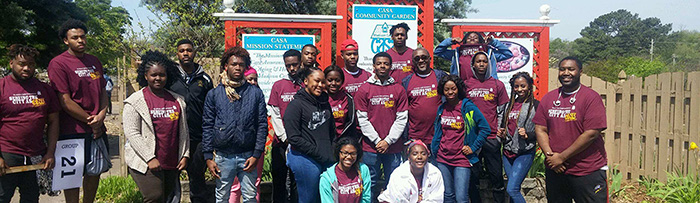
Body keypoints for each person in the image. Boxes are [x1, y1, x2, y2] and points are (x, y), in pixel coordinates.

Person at [47, 19, 109, 203]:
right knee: (71, 177)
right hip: (71, 131)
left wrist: (102, 115)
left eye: (83, 37)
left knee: (94, 172)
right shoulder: (58, 63)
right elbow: (65, 100)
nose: (80, 40)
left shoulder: (94, 62)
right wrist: (91, 120)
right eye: (75, 37)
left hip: (97, 129)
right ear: (66, 40)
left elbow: (102, 91)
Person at [534, 56, 608, 202]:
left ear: (580, 72)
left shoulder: (591, 98)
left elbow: (591, 133)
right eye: (562, 69)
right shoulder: (549, 98)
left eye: (571, 69)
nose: (566, 72)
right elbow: (540, 128)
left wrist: (561, 157)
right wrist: (550, 157)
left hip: (587, 170)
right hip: (556, 170)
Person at [202, 47, 267, 203]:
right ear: (226, 66)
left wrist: (256, 154)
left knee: (250, 197)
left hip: (248, 155)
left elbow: (262, 125)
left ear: (246, 67)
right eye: (234, 64)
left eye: (241, 64)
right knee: (222, 196)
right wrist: (208, 156)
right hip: (223, 156)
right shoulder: (215, 94)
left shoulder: (255, 93)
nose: (237, 68)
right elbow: (207, 125)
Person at [122, 51, 189, 203]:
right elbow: (132, 133)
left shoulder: (178, 100)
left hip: (171, 160)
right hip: (146, 161)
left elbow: (183, 131)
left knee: (167, 197)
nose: (158, 78)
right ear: (146, 76)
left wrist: (185, 154)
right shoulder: (135, 101)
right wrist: (150, 158)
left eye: (162, 75)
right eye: (153, 75)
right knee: (154, 197)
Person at [0, 44, 59, 203]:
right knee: (2, 197)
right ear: (11, 63)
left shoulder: (45, 89)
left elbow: (53, 122)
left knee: (31, 198)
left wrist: (50, 152)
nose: (26, 68)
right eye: (22, 64)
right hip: (7, 154)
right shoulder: (2, 87)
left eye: (31, 64)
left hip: (36, 156)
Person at [355, 52, 408, 202]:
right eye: (379, 64)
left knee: (394, 183)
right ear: (373, 66)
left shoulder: (398, 89)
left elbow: (402, 118)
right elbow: (362, 119)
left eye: (385, 63)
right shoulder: (364, 89)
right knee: (369, 183)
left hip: (394, 147)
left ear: (391, 66)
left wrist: (388, 141)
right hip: (371, 147)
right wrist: (378, 140)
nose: (382, 66)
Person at [431, 75, 490, 203]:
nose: (450, 92)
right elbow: (438, 132)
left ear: (459, 89)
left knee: (461, 197)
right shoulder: (442, 108)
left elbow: (485, 129)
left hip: (462, 159)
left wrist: (473, 148)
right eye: (447, 90)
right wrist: (435, 150)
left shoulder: (467, 107)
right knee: (447, 196)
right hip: (443, 158)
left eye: (453, 88)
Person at [168, 39, 214, 203]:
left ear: (194, 53)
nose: (185, 53)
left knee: (198, 181)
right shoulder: (169, 78)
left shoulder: (205, 79)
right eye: (182, 50)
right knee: (171, 181)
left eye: (188, 50)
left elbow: (211, 109)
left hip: (197, 138)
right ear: (177, 54)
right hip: (174, 138)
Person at [463, 51, 510, 203]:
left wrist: (498, 134)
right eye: (478, 61)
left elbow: (503, 110)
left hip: (491, 138)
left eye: (484, 61)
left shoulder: (497, 85)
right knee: (473, 177)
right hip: (473, 140)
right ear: (473, 65)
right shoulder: (465, 85)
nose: (481, 64)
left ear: (489, 64)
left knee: (496, 177)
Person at [284, 67, 336, 203]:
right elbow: (294, 138)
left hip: (326, 157)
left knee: (327, 197)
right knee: (309, 198)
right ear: (306, 81)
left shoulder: (325, 103)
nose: (320, 85)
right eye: (317, 81)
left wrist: (333, 152)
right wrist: (318, 153)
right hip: (304, 157)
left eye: (323, 82)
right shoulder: (296, 105)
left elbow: (332, 132)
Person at [496, 72, 539, 203]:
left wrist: (528, 135)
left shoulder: (536, 106)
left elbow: (543, 130)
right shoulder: (508, 106)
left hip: (524, 152)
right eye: (516, 86)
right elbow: (504, 125)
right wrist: (502, 134)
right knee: (514, 188)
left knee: (512, 189)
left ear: (529, 87)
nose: (519, 89)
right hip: (508, 152)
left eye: (523, 86)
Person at [269, 49, 303, 203]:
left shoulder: (307, 84)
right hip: (281, 142)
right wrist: (285, 137)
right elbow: (275, 113)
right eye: (288, 65)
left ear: (301, 63)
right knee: (279, 180)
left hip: (302, 142)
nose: (292, 68)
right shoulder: (279, 85)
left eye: (295, 65)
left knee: (298, 181)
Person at [229, 66, 264, 203]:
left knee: (255, 183)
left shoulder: (259, 96)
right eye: (250, 79)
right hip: (237, 148)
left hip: (255, 148)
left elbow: (262, 124)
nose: (253, 82)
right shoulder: (232, 96)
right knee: (235, 185)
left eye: (255, 79)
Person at [401, 47, 447, 146]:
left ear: (430, 59)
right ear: (413, 62)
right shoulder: (406, 82)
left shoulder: (440, 77)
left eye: (424, 57)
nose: (421, 60)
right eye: (417, 59)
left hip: (438, 135)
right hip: (415, 136)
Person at [378, 140, 443, 203]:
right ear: (408, 157)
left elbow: (437, 199)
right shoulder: (398, 174)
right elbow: (398, 200)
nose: (419, 157)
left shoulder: (435, 173)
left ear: (427, 156)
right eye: (415, 154)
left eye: (423, 154)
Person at [434, 31, 512, 81]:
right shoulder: (457, 53)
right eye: (469, 38)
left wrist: (493, 42)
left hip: (485, 86)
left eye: (475, 38)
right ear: (464, 41)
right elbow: (438, 52)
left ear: (480, 40)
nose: (472, 39)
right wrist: (450, 41)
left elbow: (508, 54)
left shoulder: (488, 52)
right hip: (463, 87)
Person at [319, 136, 371, 203]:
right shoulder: (327, 179)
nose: (349, 157)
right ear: (339, 153)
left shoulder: (363, 170)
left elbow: (366, 198)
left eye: (353, 154)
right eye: (345, 153)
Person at [324, 65, 358, 140]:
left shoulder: (348, 98)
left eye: (337, 80)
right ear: (324, 80)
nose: (333, 83)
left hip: (343, 139)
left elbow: (350, 121)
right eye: (330, 80)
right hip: (324, 140)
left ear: (342, 81)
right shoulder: (319, 98)